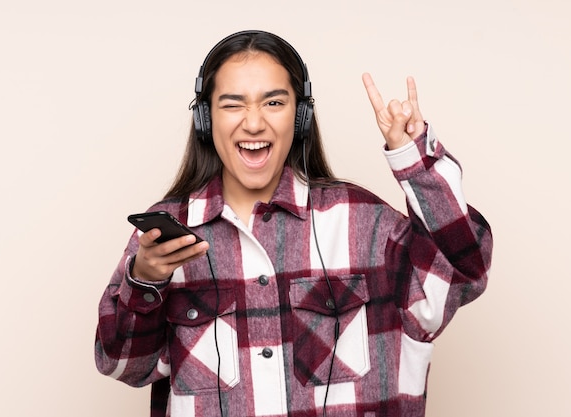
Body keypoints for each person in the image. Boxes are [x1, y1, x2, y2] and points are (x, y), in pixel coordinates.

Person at [95, 30, 493, 417]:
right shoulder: (166, 239)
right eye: (233, 104)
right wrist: (145, 281)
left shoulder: (361, 221)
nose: (253, 123)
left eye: (273, 103)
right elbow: (123, 365)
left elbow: (463, 267)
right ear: (205, 119)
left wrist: (415, 160)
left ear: (300, 118)